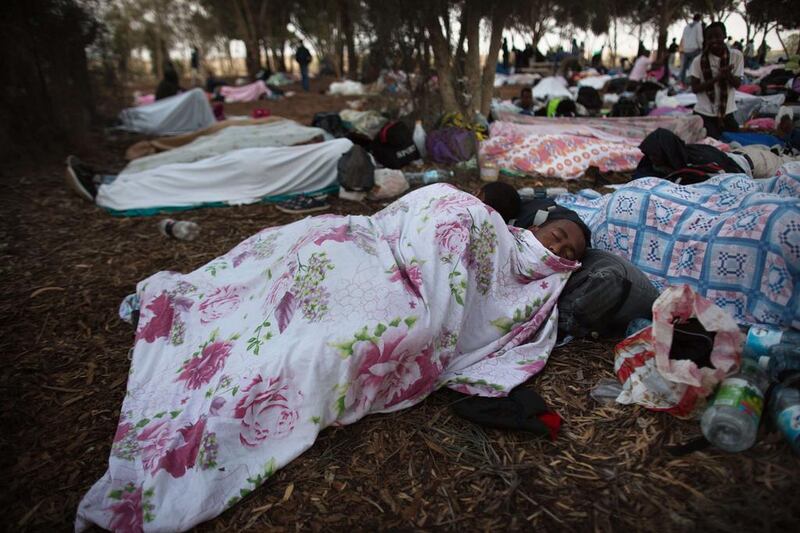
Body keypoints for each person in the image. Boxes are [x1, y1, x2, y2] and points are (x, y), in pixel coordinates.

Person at [76, 181, 583, 532]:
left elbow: (499, 324)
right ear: (536, 226)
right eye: (557, 230)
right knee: (309, 240)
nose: (559, 240)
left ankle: (231, 401)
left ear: (571, 262)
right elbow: (426, 213)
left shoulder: (536, 289)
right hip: (374, 243)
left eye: (571, 245)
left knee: (338, 344)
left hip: (416, 293)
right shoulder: (494, 223)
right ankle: (200, 298)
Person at [64, 138, 355, 213]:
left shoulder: (344, 147)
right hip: (257, 173)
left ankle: (106, 183)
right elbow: (353, 189)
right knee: (183, 182)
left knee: (183, 174)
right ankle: (108, 184)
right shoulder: (349, 162)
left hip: (257, 163)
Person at [688, 21, 743, 139]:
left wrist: (727, 74)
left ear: (724, 36)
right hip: (704, 113)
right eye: (709, 38)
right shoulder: (698, 61)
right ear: (705, 40)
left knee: (736, 142)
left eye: (717, 36)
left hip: (727, 112)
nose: (713, 40)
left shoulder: (736, 56)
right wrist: (718, 77)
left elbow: (737, 84)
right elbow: (695, 88)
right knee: (714, 143)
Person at [680, 13, 704, 83]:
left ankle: (682, 81)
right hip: (695, 49)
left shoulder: (686, 27)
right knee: (694, 67)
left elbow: (683, 38)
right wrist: (701, 47)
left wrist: (684, 47)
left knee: (684, 68)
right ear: (699, 19)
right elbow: (699, 38)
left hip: (686, 49)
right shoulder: (698, 26)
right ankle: (692, 82)